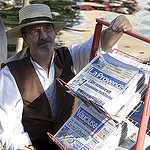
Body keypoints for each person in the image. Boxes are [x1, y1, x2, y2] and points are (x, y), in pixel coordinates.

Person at [0, 3, 132, 150]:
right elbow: (9, 125)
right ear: (25, 39)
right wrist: (23, 147)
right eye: (34, 32)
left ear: (55, 33)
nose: (44, 36)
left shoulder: (70, 56)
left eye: (48, 29)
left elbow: (98, 46)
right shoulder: (10, 73)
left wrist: (115, 29)